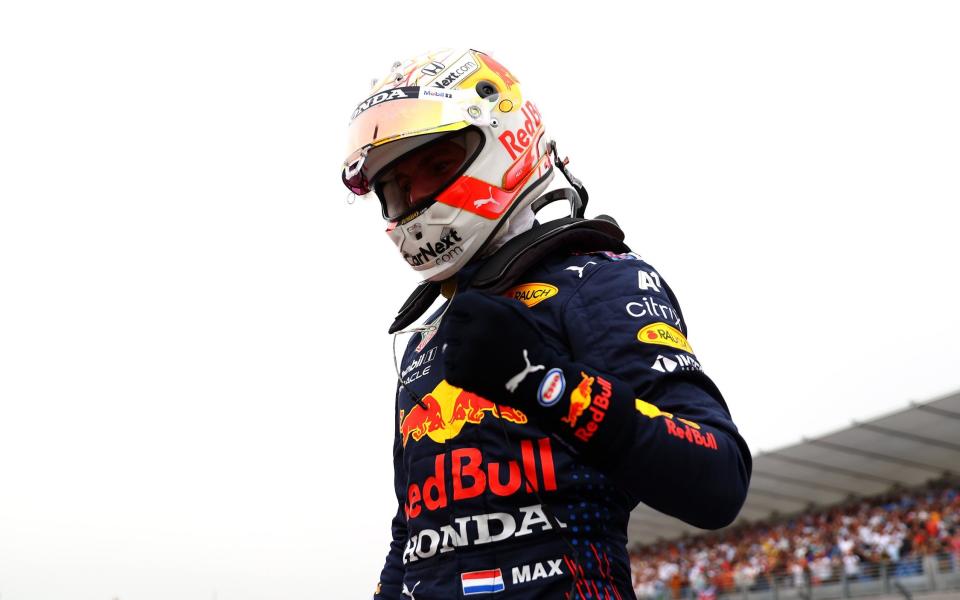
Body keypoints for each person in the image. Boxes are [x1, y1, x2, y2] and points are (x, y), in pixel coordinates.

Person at [340, 47, 753, 600]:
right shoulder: (423, 341)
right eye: (398, 186)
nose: (416, 199)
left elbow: (720, 477)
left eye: (438, 166)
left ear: (504, 141)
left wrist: (540, 381)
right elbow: (412, 535)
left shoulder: (599, 282)